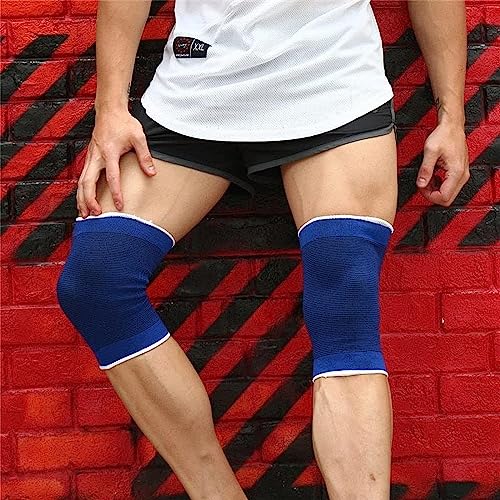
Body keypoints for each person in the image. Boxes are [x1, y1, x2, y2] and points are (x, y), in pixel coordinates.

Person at [56, 0, 470, 498]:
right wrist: (110, 108)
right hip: (199, 86)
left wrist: (452, 116)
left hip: (332, 84)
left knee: (346, 306)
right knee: (97, 281)